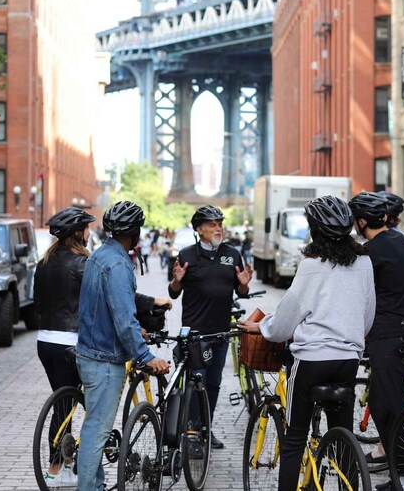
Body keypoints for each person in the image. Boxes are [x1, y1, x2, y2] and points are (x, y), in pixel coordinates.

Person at [238, 195, 376, 491]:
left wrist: (264, 326)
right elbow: (368, 315)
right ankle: (347, 481)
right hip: (348, 359)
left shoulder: (312, 264)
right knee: (342, 433)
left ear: (314, 230)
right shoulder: (364, 261)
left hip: (312, 360)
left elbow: (285, 320)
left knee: (295, 438)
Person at [76, 201, 171, 491]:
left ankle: (96, 484)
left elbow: (105, 308)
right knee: (97, 430)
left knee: (95, 426)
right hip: (103, 360)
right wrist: (145, 356)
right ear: (135, 232)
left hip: (91, 351)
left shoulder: (100, 255)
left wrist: (134, 330)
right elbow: (122, 318)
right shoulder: (118, 264)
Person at [349, 191, 404, 491]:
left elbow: (360, 297)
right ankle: (399, 476)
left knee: (387, 409)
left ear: (363, 221)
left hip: (386, 338)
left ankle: (403, 482)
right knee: (392, 405)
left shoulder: (370, 252)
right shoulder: (403, 242)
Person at [168, 204, 253, 449]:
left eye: (220, 224)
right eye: (212, 225)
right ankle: (192, 431)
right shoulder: (186, 255)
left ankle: (205, 429)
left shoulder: (233, 254)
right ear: (199, 229)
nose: (218, 228)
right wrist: (177, 280)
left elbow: (241, 291)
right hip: (195, 334)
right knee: (197, 382)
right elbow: (173, 294)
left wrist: (244, 286)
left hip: (221, 332)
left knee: (214, 383)